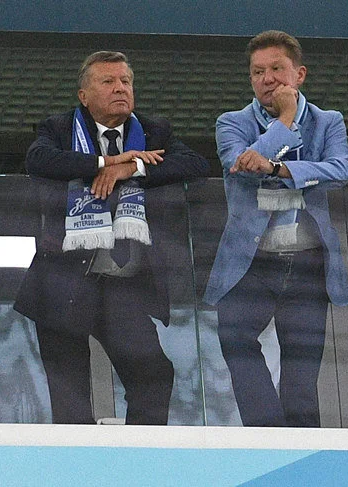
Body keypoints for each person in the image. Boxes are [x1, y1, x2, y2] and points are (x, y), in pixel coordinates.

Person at [13, 51, 210, 424]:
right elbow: (39, 161)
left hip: (124, 287)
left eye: (126, 81)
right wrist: (105, 163)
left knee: (154, 376)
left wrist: (131, 168)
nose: (120, 88)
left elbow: (196, 165)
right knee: (70, 400)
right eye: (108, 81)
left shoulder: (153, 131)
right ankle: (77, 461)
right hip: (62, 282)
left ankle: (140, 455)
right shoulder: (58, 128)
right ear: (84, 96)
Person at [203, 30, 348, 427]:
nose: (267, 79)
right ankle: (266, 433)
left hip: (307, 263)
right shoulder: (231, 122)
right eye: (258, 72)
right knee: (235, 340)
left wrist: (279, 169)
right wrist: (285, 121)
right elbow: (241, 165)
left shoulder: (328, 121)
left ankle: (302, 447)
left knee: (301, 379)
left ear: (299, 74)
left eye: (276, 69)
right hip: (251, 262)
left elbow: (341, 169)